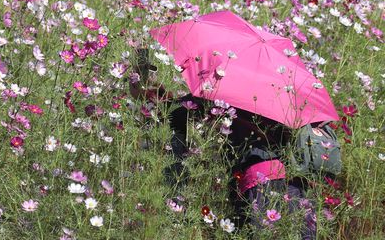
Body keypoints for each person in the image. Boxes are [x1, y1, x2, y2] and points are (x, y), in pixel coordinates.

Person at [128, 48, 317, 238]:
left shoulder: (226, 93)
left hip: (262, 186)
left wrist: (147, 95)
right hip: (299, 191)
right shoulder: (285, 93)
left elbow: (177, 114)